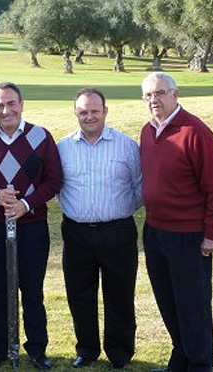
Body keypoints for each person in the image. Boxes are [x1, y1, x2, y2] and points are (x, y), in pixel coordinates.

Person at [0, 82, 62, 370]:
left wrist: (25, 204)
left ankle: (36, 349)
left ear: (21, 104)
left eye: (11, 104)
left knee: (32, 291)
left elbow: (53, 182)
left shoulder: (41, 137)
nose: (5, 110)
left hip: (32, 226)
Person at [140, 73, 213, 372]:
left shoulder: (195, 131)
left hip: (188, 236)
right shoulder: (147, 131)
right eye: (149, 95)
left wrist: (211, 234)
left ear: (175, 94)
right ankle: (181, 359)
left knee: (193, 307)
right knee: (168, 302)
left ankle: (200, 364)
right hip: (154, 232)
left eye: (161, 93)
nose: (155, 100)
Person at [57, 88, 142, 369]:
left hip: (117, 231)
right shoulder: (63, 148)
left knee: (119, 294)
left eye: (95, 110)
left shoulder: (126, 146)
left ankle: (119, 352)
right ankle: (87, 349)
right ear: (76, 114)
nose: (89, 116)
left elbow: (140, 187)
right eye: (83, 111)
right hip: (77, 233)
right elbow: (57, 186)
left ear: (105, 111)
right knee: (80, 294)